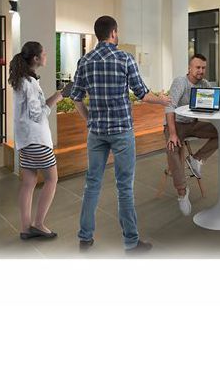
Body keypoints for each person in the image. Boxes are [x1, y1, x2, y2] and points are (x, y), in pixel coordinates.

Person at [70, 15, 170, 254]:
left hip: (96, 133)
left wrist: (89, 119)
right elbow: (142, 94)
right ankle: (131, 242)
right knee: (124, 187)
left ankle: (85, 237)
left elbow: (76, 97)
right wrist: (163, 100)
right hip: (121, 131)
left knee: (92, 184)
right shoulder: (124, 58)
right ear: (113, 33)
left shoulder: (85, 61)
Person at [163, 53, 220, 215]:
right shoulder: (180, 82)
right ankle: (182, 192)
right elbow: (169, 107)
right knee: (173, 148)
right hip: (176, 124)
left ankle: (196, 159)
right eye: (198, 67)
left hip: (192, 124)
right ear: (189, 68)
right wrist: (172, 134)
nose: (201, 71)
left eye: (203, 68)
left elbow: (212, 103)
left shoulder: (204, 84)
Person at [9, 41, 63, 240]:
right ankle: (39, 224)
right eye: (44, 53)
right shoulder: (30, 83)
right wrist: (56, 99)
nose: (46, 56)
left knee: (29, 183)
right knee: (51, 179)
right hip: (37, 141)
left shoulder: (22, 80)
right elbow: (37, 115)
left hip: (25, 141)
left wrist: (57, 95)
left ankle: (26, 228)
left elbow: (34, 110)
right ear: (36, 58)